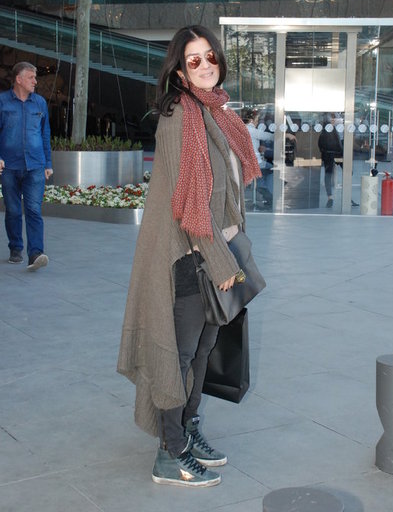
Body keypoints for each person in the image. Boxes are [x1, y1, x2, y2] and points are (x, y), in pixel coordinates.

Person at [117, 26, 261, 488]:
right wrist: (221, 263)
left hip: (216, 249)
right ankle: (169, 452)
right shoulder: (180, 116)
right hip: (188, 255)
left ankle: (188, 428)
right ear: (179, 71)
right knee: (177, 356)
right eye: (193, 60)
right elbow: (191, 206)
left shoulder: (216, 112)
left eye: (210, 56)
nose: (205, 65)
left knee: (202, 350)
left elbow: (225, 192)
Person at [0, 62, 53, 270]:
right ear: (19, 79)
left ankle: (35, 254)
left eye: (35, 77)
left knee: (33, 210)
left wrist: (48, 163)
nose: (35, 82)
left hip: (36, 166)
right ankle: (15, 247)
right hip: (9, 167)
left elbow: (45, 134)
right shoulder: (2, 102)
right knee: (13, 210)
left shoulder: (40, 103)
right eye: (31, 77)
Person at [243, 108, 274, 205]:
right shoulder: (251, 130)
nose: (258, 122)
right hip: (256, 163)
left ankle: (262, 187)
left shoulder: (242, 129)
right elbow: (269, 136)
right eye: (257, 120)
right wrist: (285, 135)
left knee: (263, 174)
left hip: (248, 162)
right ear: (251, 120)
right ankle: (267, 194)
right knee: (273, 170)